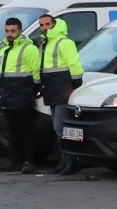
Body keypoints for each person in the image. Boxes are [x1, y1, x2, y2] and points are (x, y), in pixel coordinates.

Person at [0, 17, 44, 174]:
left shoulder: (29, 48)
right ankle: (14, 160)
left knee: (26, 130)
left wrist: (33, 90)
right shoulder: (3, 48)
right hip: (8, 94)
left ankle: (29, 161)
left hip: (23, 93)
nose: (10, 34)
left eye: (13, 31)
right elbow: (1, 71)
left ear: (20, 31)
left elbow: (36, 72)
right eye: (7, 31)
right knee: (12, 130)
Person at [35, 14, 84, 176]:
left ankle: (70, 162)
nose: (44, 27)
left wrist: (75, 84)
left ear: (54, 24)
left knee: (61, 127)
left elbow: (74, 64)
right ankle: (65, 162)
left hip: (62, 87)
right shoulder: (46, 43)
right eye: (41, 25)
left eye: (47, 24)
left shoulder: (64, 42)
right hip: (52, 87)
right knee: (58, 128)